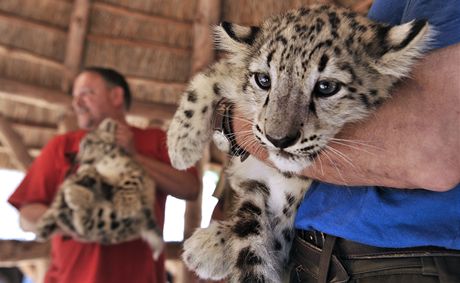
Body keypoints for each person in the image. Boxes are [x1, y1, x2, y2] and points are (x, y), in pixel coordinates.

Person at [229, 0, 460, 282]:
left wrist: (229, 120)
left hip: (399, 261)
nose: (278, 132)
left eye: (326, 86)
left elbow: (433, 152)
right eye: (264, 80)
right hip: (319, 255)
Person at [8, 67, 200, 283]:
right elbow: (27, 217)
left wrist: (133, 156)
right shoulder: (62, 146)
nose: (77, 103)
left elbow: (191, 188)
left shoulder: (155, 140)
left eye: (85, 93)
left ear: (116, 96)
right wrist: (78, 226)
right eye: (74, 96)